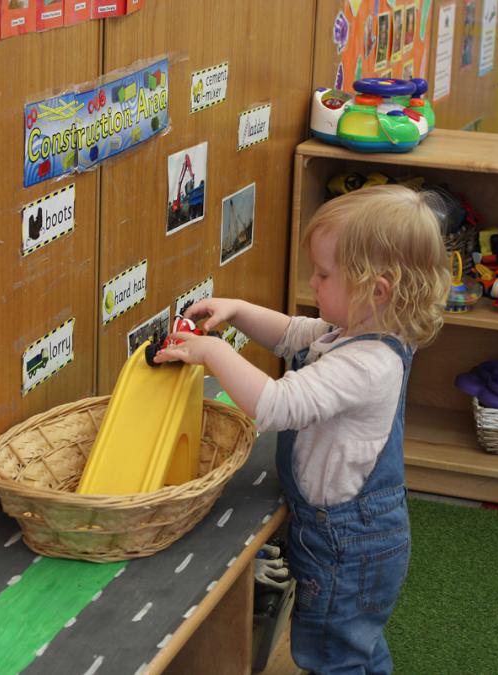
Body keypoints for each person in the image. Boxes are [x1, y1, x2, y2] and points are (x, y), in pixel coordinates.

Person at [154, 184, 450, 673]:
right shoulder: (358, 330)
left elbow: (277, 405)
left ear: (376, 289)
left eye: (324, 274)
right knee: (351, 642)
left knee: (331, 653)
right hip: (343, 533)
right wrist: (241, 313)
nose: (312, 281)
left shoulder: (368, 363)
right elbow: (293, 333)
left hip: (348, 542)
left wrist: (213, 353)